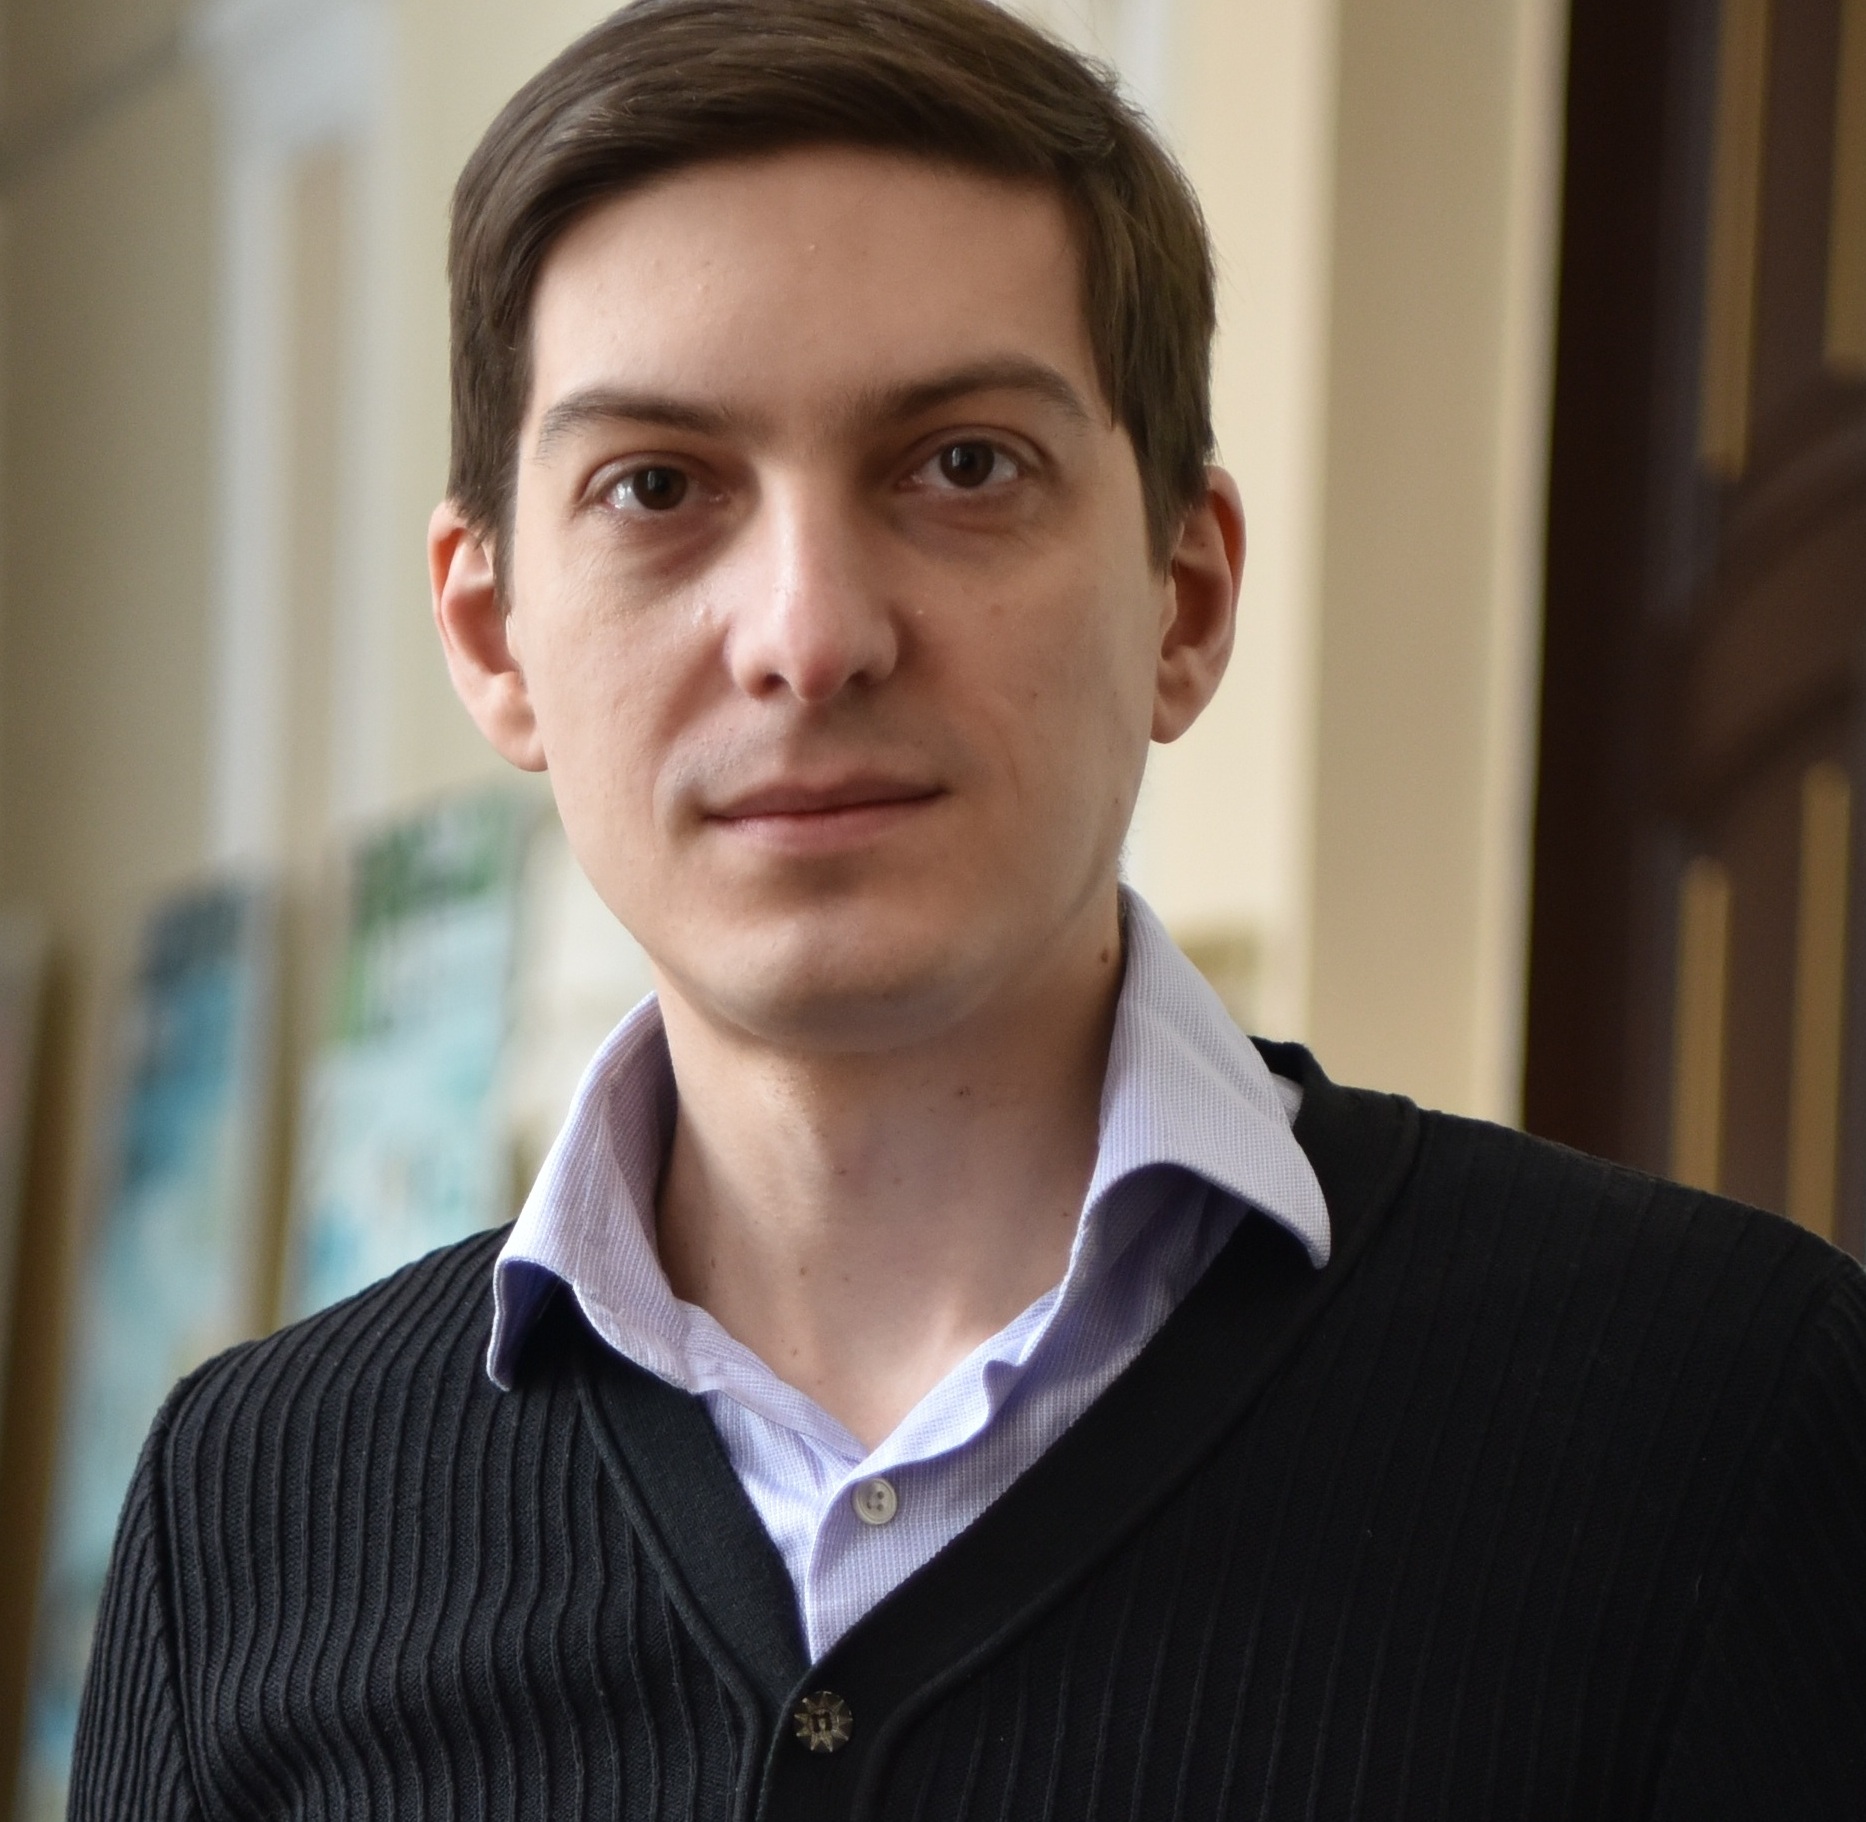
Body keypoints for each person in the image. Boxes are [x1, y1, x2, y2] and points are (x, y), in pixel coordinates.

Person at [71, 0, 1866, 1815]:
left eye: (962, 465)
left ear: (1181, 598)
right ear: (492, 636)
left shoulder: (1715, 1419)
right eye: (657, 486)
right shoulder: (249, 1514)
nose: (808, 635)